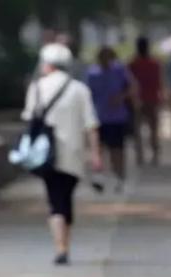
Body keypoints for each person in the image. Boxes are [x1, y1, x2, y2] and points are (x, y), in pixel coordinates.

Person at [20, 43, 102, 265]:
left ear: (46, 64)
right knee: (65, 198)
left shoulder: (37, 88)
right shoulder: (80, 89)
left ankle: (60, 247)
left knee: (54, 199)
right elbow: (91, 125)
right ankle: (64, 243)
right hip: (73, 154)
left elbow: (29, 119)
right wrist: (96, 154)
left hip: (45, 153)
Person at [85, 46, 137, 192]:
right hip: (97, 117)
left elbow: (133, 87)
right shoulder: (92, 73)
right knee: (98, 149)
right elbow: (86, 93)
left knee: (117, 150)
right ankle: (99, 176)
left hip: (117, 117)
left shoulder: (119, 70)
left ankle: (119, 177)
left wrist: (121, 97)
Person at [129, 35, 164, 166]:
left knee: (137, 130)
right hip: (152, 99)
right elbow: (159, 82)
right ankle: (155, 155)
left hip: (137, 101)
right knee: (153, 129)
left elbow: (128, 82)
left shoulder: (132, 64)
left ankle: (140, 156)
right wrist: (162, 97)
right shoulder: (155, 63)